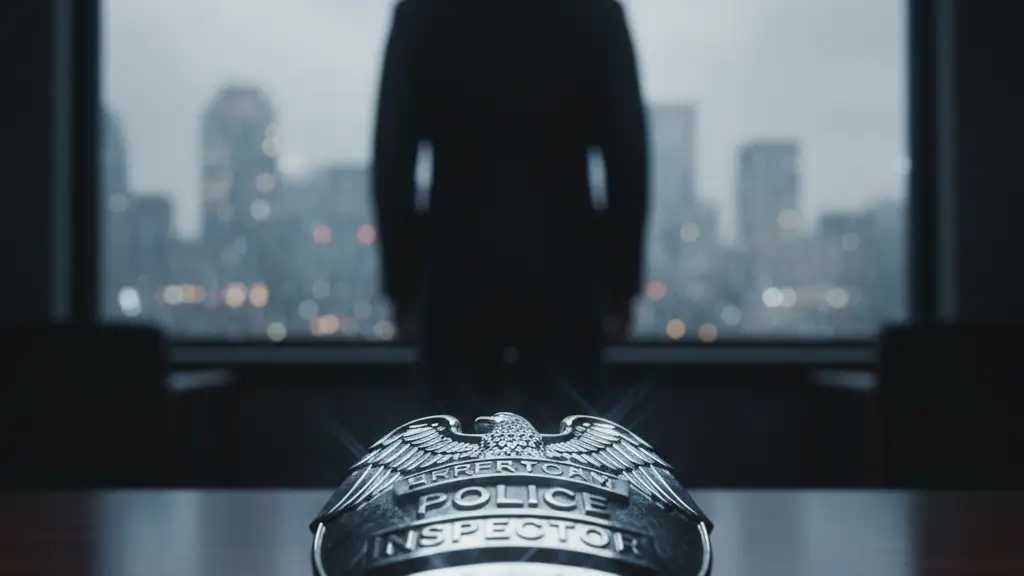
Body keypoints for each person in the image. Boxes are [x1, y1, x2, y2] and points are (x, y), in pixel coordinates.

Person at [371, 0, 648, 431]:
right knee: (570, 478)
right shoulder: (595, 14)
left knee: (452, 477)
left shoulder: (423, 14)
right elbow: (627, 158)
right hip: (565, 287)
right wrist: (621, 287)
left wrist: (403, 289)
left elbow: (393, 160)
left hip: (455, 283)